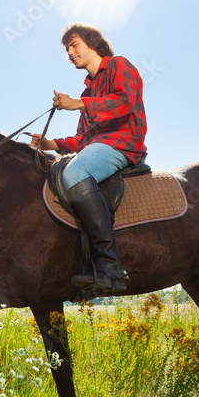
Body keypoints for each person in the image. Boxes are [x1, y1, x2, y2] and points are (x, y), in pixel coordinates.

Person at [30, 24, 147, 294]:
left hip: (123, 144)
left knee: (73, 173)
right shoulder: (86, 93)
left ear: (92, 42)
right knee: (66, 168)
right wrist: (50, 144)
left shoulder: (119, 65)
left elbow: (125, 101)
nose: (70, 53)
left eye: (74, 45)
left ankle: (110, 266)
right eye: (67, 50)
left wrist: (78, 104)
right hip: (97, 146)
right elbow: (83, 138)